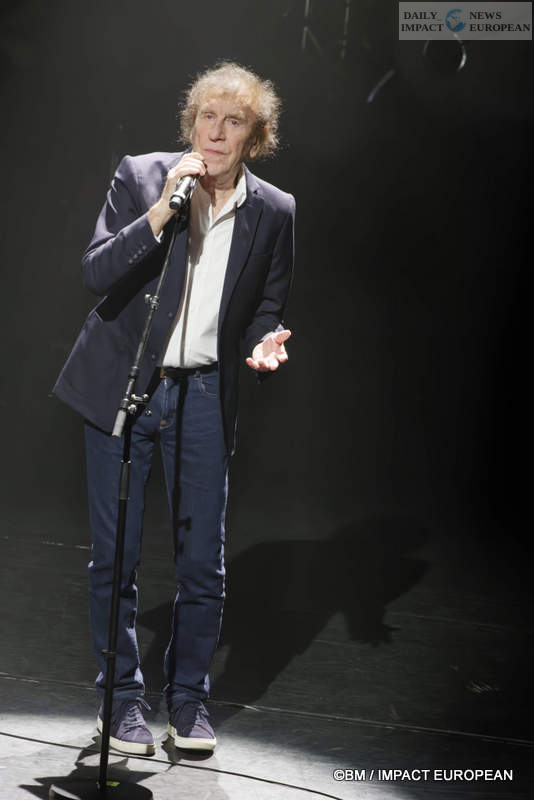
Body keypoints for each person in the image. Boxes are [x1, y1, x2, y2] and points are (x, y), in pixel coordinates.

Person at [53, 61, 295, 754]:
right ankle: (121, 703)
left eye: (233, 121)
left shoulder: (275, 211)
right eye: (206, 117)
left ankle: (188, 703)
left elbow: (266, 305)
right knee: (116, 558)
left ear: (254, 138)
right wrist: (162, 209)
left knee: (202, 566)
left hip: (203, 394)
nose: (215, 132)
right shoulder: (141, 176)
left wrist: (264, 342)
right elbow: (96, 271)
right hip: (124, 387)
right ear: (192, 122)